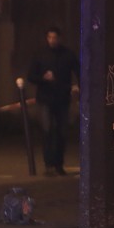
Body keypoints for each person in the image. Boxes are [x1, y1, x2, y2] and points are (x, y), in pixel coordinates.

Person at [27, 27, 80, 176]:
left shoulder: (67, 55)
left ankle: (59, 163)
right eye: (49, 37)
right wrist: (43, 78)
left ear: (60, 38)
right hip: (45, 99)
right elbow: (31, 76)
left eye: (54, 38)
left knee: (62, 132)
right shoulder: (40, 55)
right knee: (48, 130)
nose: (52, 40)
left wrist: (78, 86)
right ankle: (49, 163)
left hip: (62, 99)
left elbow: (79, 70)